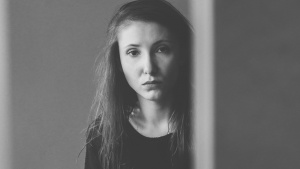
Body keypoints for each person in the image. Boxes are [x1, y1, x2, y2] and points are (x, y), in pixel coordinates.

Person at [84, 0, 192, 168]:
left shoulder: (210, 128)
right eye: (133, 52)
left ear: (182, 54)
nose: (149, 68)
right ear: (118, 62)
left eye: (161, 49)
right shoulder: (102, 135)